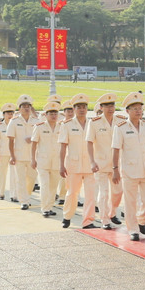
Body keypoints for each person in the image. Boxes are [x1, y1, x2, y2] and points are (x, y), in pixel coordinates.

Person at [112, 92, 145, 241]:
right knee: (130, 202)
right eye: (134, 108)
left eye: (140, 108)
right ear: (127, 111)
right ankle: (133, 229)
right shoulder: (121, 127)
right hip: (130, 170)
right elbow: (116, 149)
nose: (138, 111)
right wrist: (115, 170)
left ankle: (141, 220)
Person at [58, 94, 98, 229]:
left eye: (84, 107)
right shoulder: (67, 124)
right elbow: (63, 146)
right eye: (79, 107)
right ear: (74, 109)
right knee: (72, 193)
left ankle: (88, 221)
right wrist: (61, 165)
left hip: (89, 165)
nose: (82, 110)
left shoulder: (93, 123)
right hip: (73, 165)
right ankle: (67, 216)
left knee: (90, 195)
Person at [87, 93, 124, 229]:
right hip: (101, 163)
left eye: (112, 105)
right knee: (103, 193)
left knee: (118, 192)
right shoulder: (94, 122)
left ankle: (112, 212)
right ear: (101, 107)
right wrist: (92, 161)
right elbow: (89, 142)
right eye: (107, 106)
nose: (110, 108)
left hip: (117, 164)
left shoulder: (120, 121)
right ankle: (105, 220)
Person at [31, 102, 63, 217]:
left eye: (55, 113)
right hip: (42, 161)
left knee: (53, 187)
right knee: (44, 185)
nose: (54, 116)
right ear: (46, 114)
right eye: (51, 113)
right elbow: (34, 144)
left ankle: (49, 207)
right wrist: (33, 159)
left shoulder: (62, 126)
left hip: (56, 161)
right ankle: (44, 209)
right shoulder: (39, 127)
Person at [7, 95, 38, 210]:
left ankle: (27, 196)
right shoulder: (14, 121)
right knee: (20, 179)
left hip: (32, 156)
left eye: (28, 106)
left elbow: (41, 137)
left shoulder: (36, 121)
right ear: (19, 109)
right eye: (24, 106)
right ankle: (24, 201)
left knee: (32, 178)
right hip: (19, 155)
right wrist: (12, 156)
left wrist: (33, 138)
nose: (26, 108)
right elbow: (10, 140)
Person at [0, 103, 17, 202]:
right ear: (3, 115)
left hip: (14, 154)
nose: (10, 115)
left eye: (11, 113)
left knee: (14, 175)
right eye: (7, 113)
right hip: (3, 153)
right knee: (2, 174)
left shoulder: (16, 125)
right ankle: (1, 192)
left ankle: (13, 195)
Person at [56, 100, 74, 206]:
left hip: (73, 153)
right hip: (61, 152)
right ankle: (62, 196)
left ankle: (72, 196)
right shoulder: (59, 124)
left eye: (72, 110)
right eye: (68, 111)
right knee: (62, 177)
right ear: (64, 112)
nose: (70, 113)